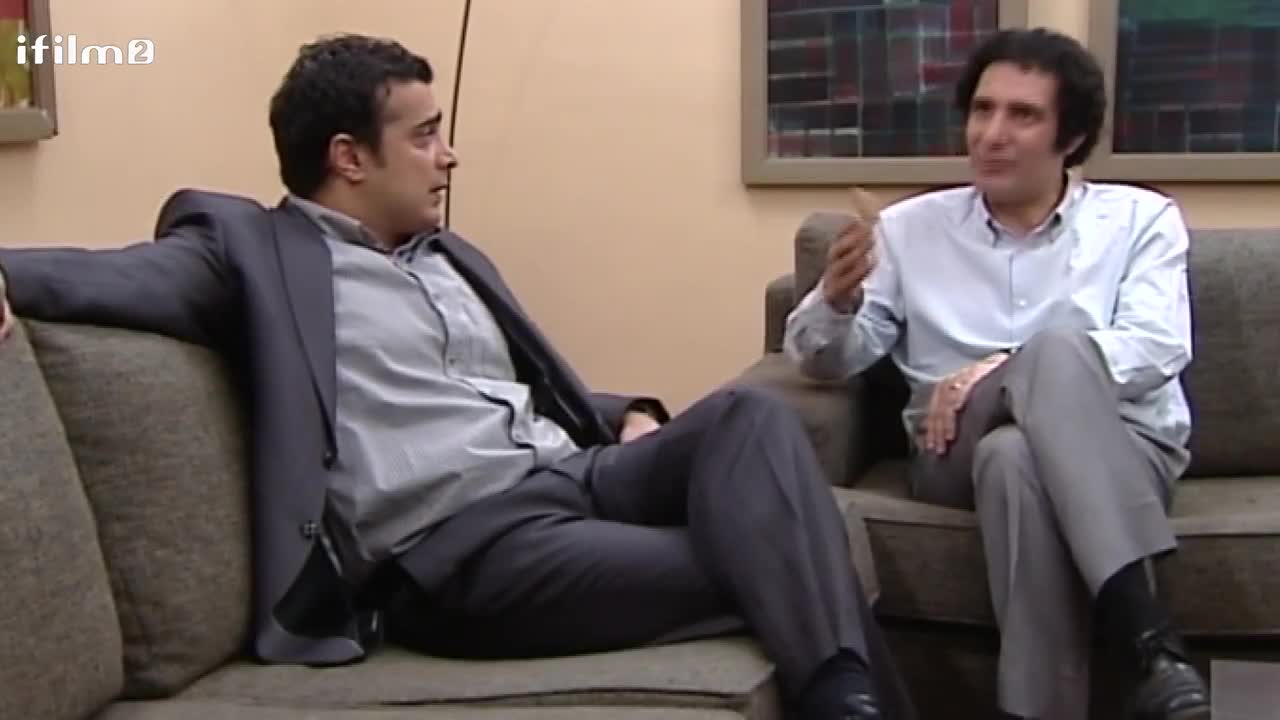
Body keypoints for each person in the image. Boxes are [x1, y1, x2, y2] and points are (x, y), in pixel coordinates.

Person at [0, 34, 915, 720]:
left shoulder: (449, 256)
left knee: (750, 418)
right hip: (460, 553)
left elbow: (488, 390)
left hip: (573, 478)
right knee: (784, 547)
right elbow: (113, 275)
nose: (449, 155)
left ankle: (840, 698)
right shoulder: (252, 252)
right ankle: (848, 698)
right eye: (426, 135)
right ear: (349, 157)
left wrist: (626, 415)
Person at [783, 28, 1207, 720]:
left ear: (1071, 138)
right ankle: (1147, 638)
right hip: (953, 446)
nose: (991, 134)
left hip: (1123, 448)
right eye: (982, 110)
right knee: (1038, 380)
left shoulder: (1140, 220)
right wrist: (835, 302)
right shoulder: (909, 230)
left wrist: (1002, 369)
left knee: (1017, 452)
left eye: (1023, 115)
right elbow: (824, 360)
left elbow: (1157, 346)